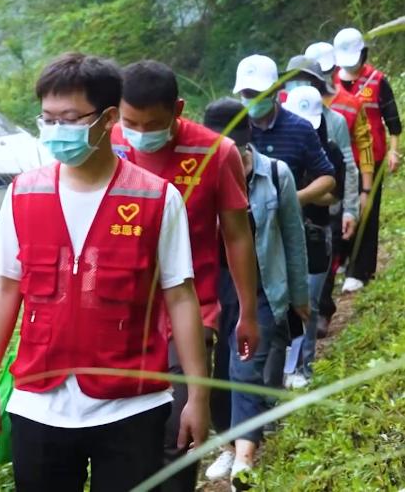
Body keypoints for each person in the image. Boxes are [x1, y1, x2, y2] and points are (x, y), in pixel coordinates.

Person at [0, 53, 208, 492]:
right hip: (38, 404)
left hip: (132, 405)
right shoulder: (24, 194)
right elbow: (5, 289)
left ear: (108, 118)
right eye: (48, 119)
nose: (56, 130)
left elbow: (180, 297)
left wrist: (197, 395)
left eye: (69, 119)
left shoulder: (156, 199)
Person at [111, 60, 259, 492]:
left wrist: (247, 312)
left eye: (153, 124)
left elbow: (237, 236)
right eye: (130, 122)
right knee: (128, 437)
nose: (140, 133)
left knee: (178, 431)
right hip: (120, 315)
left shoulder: (217, 153)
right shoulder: (107, 143)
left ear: (177, 109)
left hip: (191, 311)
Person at [201, 99, 310, 487]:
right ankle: (230, 446)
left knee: (244, 368)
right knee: (219, 374)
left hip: (263, 285)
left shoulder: (275, 174)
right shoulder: (198, 178)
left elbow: (293, 237)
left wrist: (299, 295)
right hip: (215, 287)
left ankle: (244, 460)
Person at [233, 55, 334, 394]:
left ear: (276, 91)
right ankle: (259, 391)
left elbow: (327, 177)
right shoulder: (231, 132)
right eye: (246, 94)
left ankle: (295, 370)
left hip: (287, 235)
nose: (252, 100)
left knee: (293, 308)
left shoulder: (299, 128)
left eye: (258, 93)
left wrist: (291, 199)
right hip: (244, 239)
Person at [279, 85, 348, 387]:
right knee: (281, 303)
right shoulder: (278, 149)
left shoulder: (330, 151)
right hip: (281, 235)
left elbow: (334, 195)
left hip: (316, 233)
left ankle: (302, 367)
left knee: (308, 302)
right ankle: (281, 367)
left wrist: (298, 196)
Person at [304, 42, 374, 334]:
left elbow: (352, 159)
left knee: (325, 251)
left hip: (330, 195)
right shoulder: (286, 108)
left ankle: (322, 310)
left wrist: (353, 205)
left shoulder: (345, 109)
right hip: (298, 197)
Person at [332, 27, 401, 293]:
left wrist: (393, 150)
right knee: (342, 208)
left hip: (372, 157)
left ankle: (361, 270)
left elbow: (393, 121)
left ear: (364, 53)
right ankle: (342, 258)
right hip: (340, 159)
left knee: (367, 211)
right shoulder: (331, 81)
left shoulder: (377, 80)